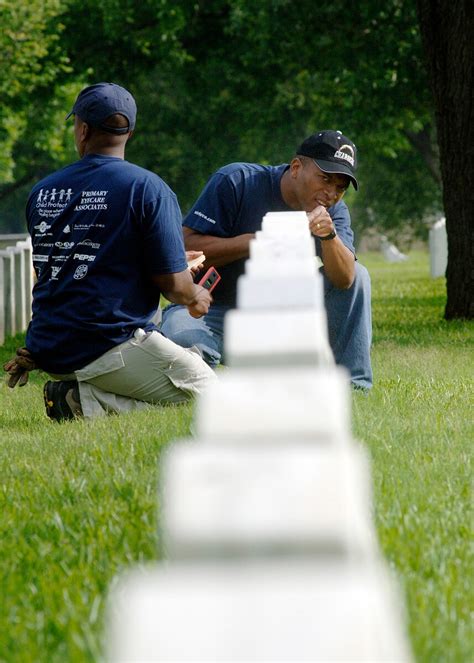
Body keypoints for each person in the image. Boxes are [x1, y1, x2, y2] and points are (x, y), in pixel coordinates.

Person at [3, 82, 216, 420]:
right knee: (213, 397)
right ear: (129, 132)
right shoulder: (148, 188)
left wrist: (169, 259)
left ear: (83, 129)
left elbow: (75, 259)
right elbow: (174, 287)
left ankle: (76, 391)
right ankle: (85, 402)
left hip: (50, 342)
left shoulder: (42, 192)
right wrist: (195, 296)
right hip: (106, 343)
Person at [160, 130, 373, 389]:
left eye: (340, 187)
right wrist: (261, 239)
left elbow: (346, 279)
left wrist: (329, 237)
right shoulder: (238, 181)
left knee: (359, 274)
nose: (331, 193)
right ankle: (208, 366)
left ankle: (352, 385)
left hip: (285, 315)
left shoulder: (333, 211)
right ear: (296, 167)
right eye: (325, 179)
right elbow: (183, 247)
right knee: (179, 338)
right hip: (214, 308)